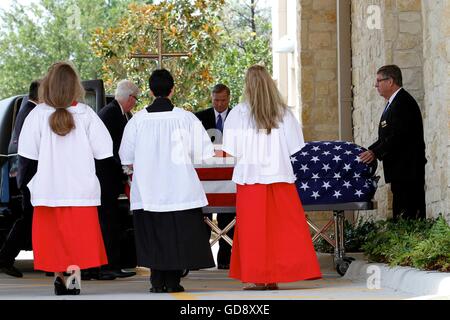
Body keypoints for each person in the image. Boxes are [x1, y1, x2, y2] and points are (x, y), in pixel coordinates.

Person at [222, 65, 322, 290]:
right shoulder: (283, 112)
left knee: (253, 230)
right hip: (279, 175)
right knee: (282, 228)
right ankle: (275, 276)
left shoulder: (238, 113)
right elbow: (295, 146)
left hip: (251, 178)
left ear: (247, 85)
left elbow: (232, 148)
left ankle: (258, 277)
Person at [17, 61, 113, 295]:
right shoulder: (86, 114)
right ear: (75, 87)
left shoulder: (37, 115)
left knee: (54, 240)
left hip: (48, 190)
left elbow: (26, 158)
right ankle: (73, 278)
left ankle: (59, 277)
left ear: (47, 86)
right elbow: (105, 153)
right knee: (77, 240)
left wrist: (27, 187)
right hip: (81, 191)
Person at [119, 69, 215, 293]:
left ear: (151, 91)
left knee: (153, 237)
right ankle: (173, 282)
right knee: (177, 237)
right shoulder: (186, 118)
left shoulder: (137, 121)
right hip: (180, 189)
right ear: (172, 89)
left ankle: (156, 282)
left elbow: (126, 158)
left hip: (149, 190)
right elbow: (204, 152)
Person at [359, 65, 426, 220]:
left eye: (379, 81)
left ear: (390, 81)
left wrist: (375, 153)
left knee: (408, 216)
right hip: (400, 172)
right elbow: (386, 137)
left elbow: (398, 136)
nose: (376, 85)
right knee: (400, 214)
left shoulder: (403, 103)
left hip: (408, 171)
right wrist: (369, 151)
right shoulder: (393, 103)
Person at [88, 80, 140, 280]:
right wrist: (126, 167)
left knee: (111, 222)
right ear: (129, 98)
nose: (135, 103)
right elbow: (109, 148)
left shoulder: (122, 113)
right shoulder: (110, 114)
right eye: (135, 99)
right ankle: (107, 265)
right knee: (106, 222)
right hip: (104, 177)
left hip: (110, 178)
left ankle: (112, 264)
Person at [0, 80, 40, 278]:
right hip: (31, 174)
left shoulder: (26, 108)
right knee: (28, 218)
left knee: (29, 218)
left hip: (26, 174)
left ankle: (6, 257)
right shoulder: (32, 111)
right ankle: (5, 258)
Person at [195, 84, 235, 270]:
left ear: (229, 99)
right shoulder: (199, 118)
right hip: (205, 178)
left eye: (223, 100)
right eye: (216, 100)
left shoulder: (237, 117)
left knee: (229, 218)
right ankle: (201, 258)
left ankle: (225, 259)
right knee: (203, 219)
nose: (219, 104)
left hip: (230, 177)